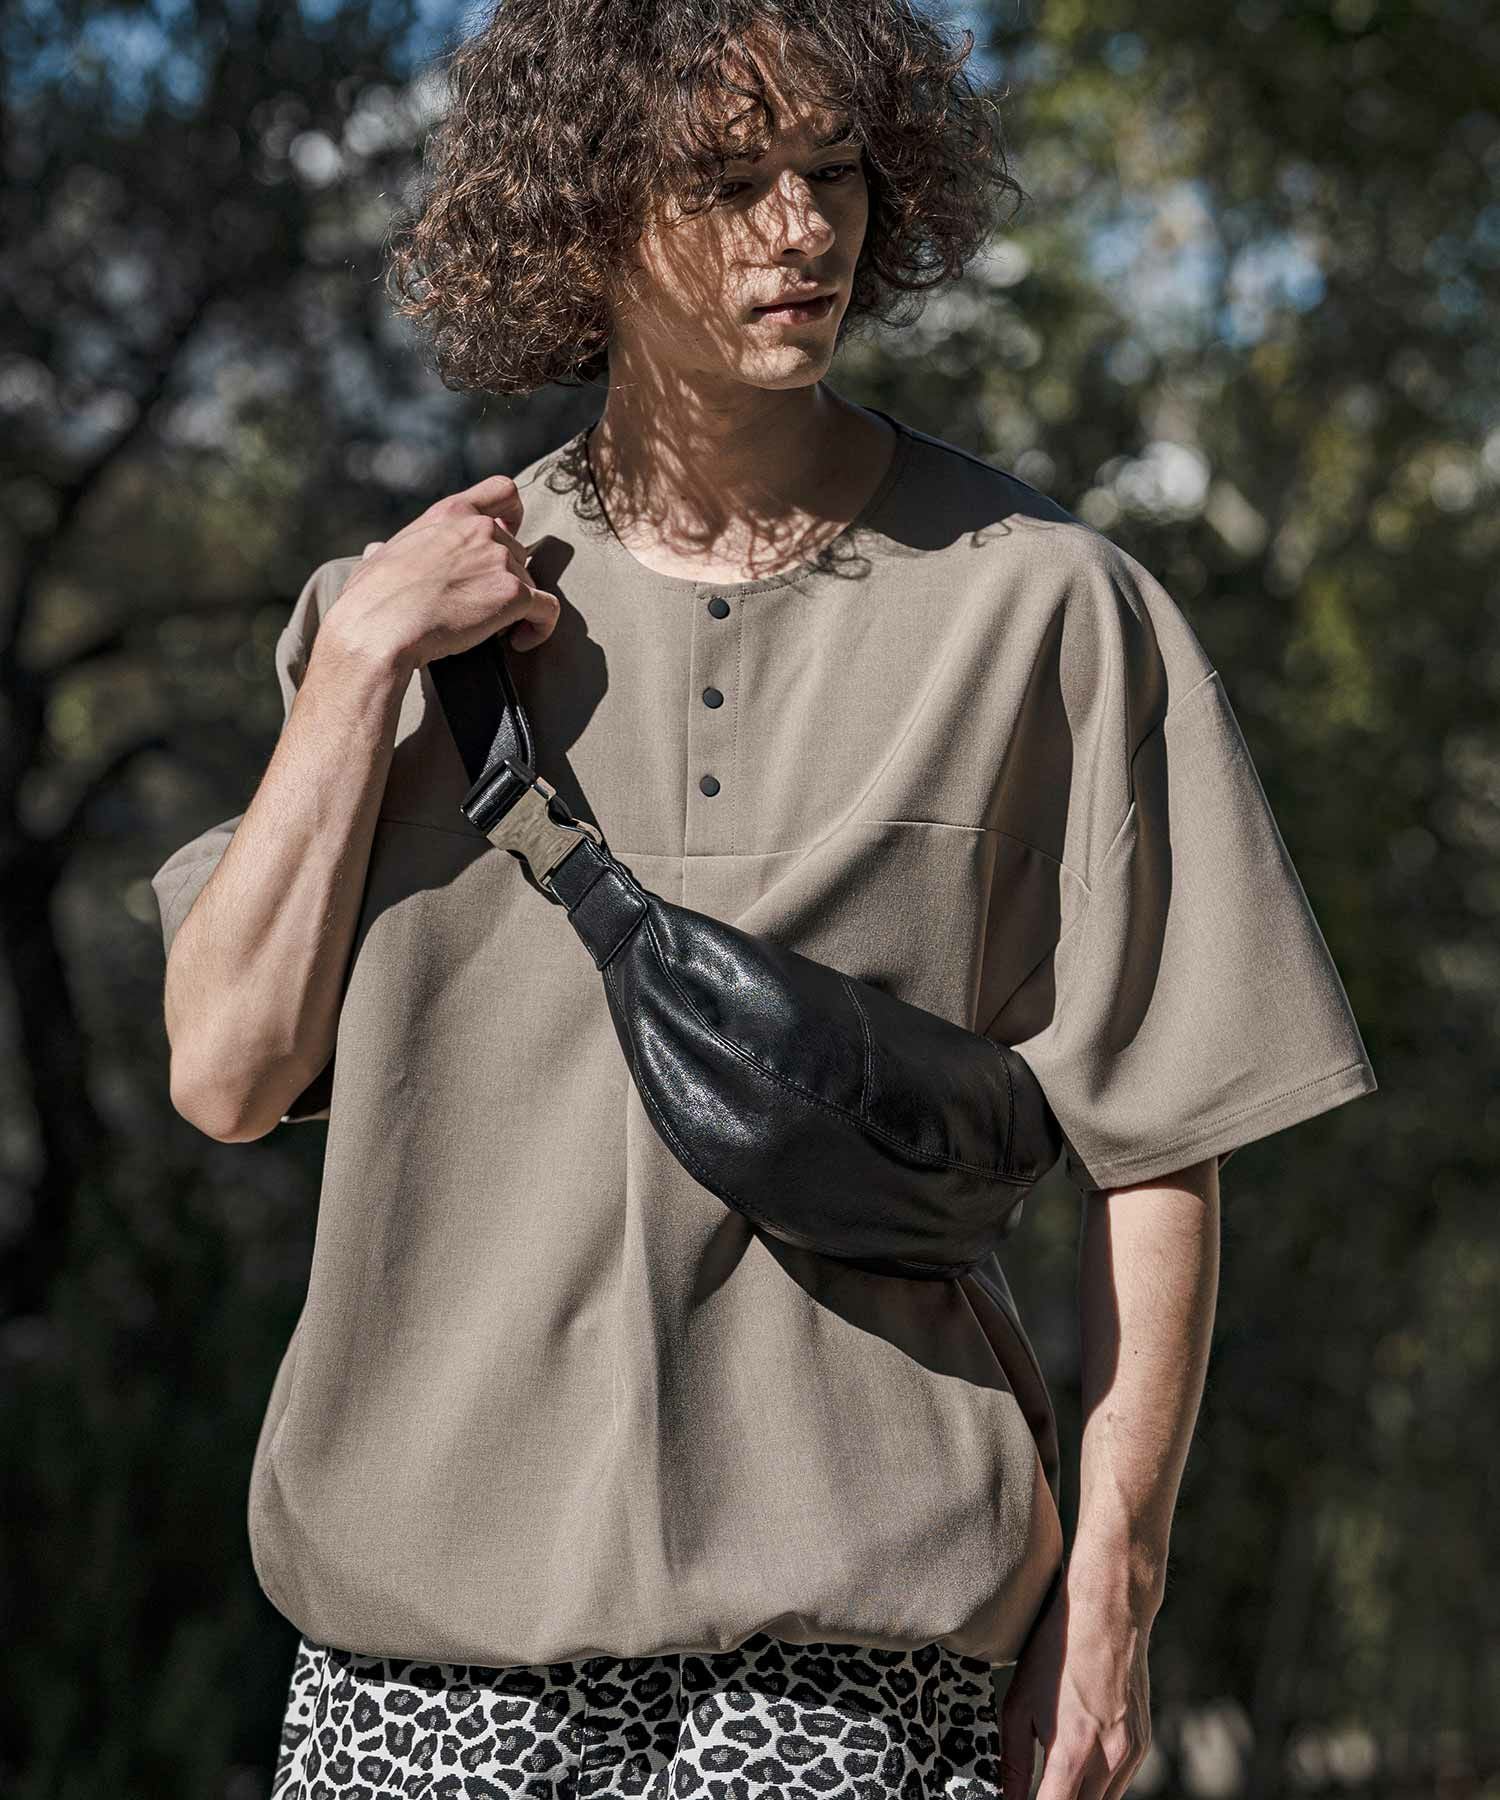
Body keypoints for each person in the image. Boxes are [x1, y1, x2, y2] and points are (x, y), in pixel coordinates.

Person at [149, 1, 1379, 1796]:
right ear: (581, 211)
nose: (803, 228)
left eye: (834, 171)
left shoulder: (1045, 609)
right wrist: (352, 671)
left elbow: (1163, 1146)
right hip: (424, 1671)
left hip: (854, 1670)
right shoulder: (399, 617)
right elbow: (224, 1071)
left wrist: (1117, 1584)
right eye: (728, 181)